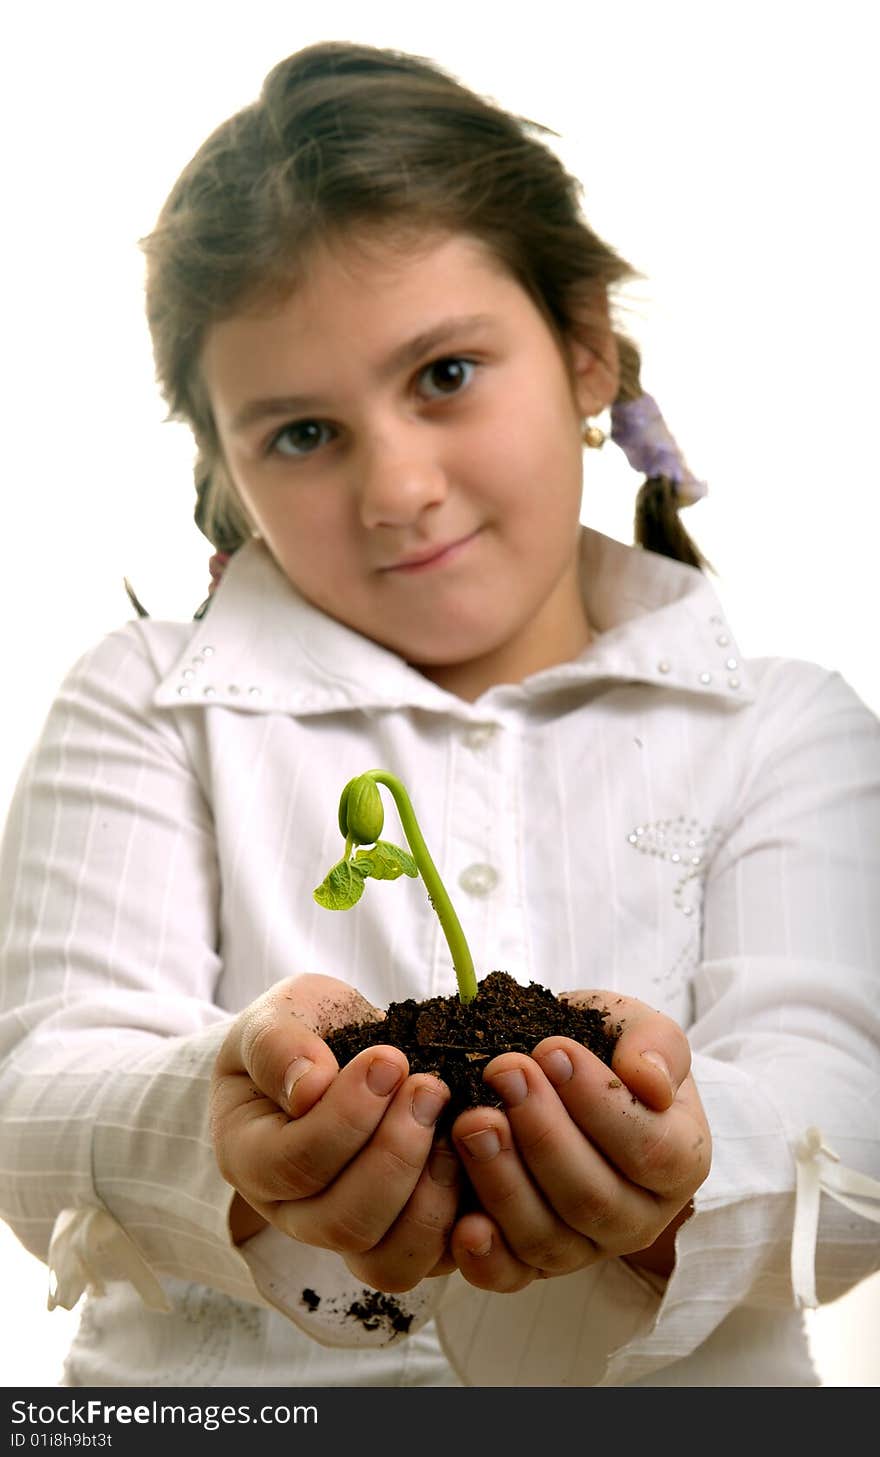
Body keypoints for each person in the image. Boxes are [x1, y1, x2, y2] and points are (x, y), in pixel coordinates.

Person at [1, 39, 878, 1390]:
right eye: (301, 433)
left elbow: (852, 1132)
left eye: (446, 376)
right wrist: (222, 1123)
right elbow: (33, 1099)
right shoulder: (148, 703)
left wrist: (686, 1157)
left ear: (587, 348)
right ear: (227, 467)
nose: (397, 488)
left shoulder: (781, 725)